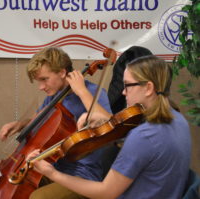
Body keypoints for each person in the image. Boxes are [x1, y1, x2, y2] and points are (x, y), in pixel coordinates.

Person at [28, 55, 192, 199]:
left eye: (127, 85)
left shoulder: (143, 136)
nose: (123, 92)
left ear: (148, 88)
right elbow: (148, 152)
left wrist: (52, 173)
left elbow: (106, 192)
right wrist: (104, 121)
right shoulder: (177, 119)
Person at [0, 47, 116, 199]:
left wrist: (81, 91)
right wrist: (21, 124)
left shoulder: (94, 92)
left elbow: (110, 125)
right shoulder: (55, 96)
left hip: (82, 175)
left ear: (62, 72)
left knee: (38, 198)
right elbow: (42, 122)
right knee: (10, 185)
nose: (41, 87)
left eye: (44, 79)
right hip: (53, 169)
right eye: (38, 81)